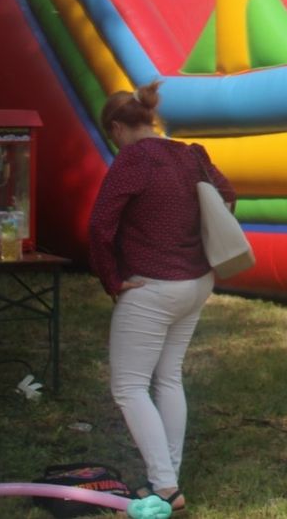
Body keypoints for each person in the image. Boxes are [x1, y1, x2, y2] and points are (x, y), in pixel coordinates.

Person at [87, 81, 238, 511]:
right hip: (196, 280)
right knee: (168, 377)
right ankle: (167, 480)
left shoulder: (133, 159)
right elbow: (228, 196)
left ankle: (166, 486)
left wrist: (112, 280)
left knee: (129, 386)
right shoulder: (190, 154)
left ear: (117, 128)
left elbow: (100, 225)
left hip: (152, 287)